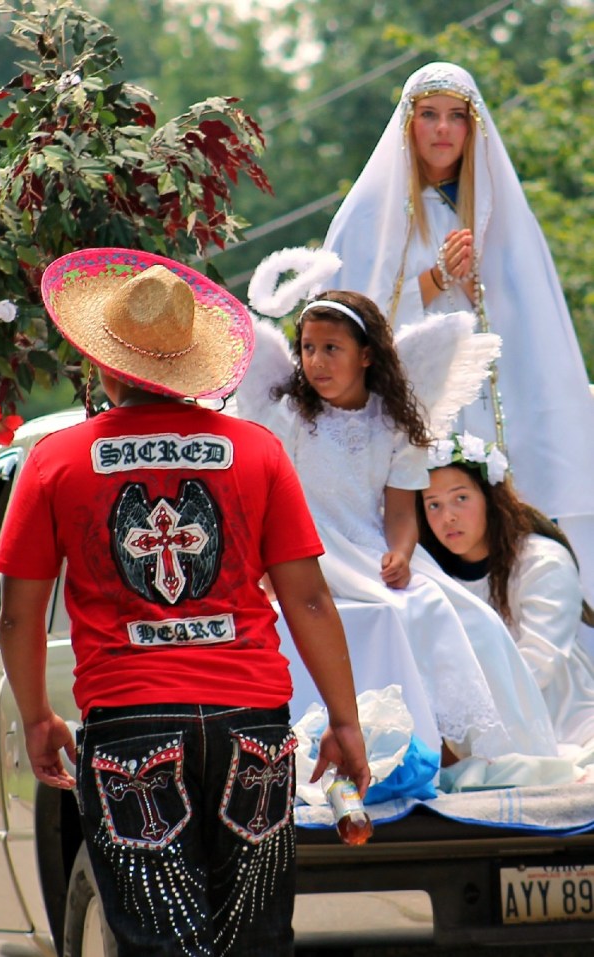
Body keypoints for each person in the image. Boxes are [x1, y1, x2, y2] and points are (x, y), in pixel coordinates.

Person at [0, 247, 370, 957]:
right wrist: (344, 720)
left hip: (130, 727)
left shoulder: (54, 460)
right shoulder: (256, 451)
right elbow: (310, 601)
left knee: (159, 945)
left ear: (104, 364)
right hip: (252, 725)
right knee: (255, 942)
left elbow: (17, 615)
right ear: (191, 365)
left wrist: (38, 716)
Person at [236, 287, 561, 768]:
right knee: (398, 613)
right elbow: (266, 502)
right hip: (312, 548)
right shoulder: (293, 417)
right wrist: (266, 566)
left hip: (372, 547)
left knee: (466, 615)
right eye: (308, 348)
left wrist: (403, 553)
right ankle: (395, 738)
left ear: (366, 355)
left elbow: (401, 511)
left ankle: (459, 744)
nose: (316, 361)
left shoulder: (393, 423)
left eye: (332, 348)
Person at [321, 60, 594, 614]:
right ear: (409, 123)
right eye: (429, 115)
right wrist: (436, 280)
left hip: (492, 413)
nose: (442, 129)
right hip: (411, 415)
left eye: (456, 116)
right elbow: (348, 325)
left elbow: (533, 327)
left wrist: (476, 290)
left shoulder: (500, 213)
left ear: (473, 127)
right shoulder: (370, 214)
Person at [417, 431, 594, 754]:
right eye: (434, 505)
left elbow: (540, 659)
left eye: (461, 498)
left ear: (490, 498)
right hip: (479, 739)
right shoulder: (431, 578)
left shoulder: (543, 562)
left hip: (567, 725)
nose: (448, 517)